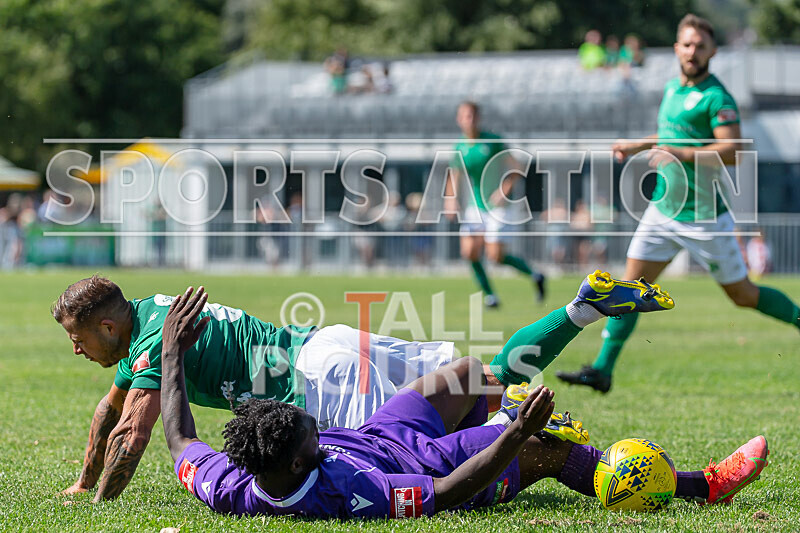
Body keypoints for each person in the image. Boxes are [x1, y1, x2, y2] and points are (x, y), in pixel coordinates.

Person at [53, 269, 673, 502]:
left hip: (316, 386)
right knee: (480, 377)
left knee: (433, 443)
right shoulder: (151, 313)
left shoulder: (147, 346)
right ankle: (582, 309)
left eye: (80, 339)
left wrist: (99, 502)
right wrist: (82, 478)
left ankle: (525, 435)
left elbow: (134, 436)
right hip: (329, 343)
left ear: (109, 325)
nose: (77, 351)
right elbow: (111, 412)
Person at [161, 286, 768, 518]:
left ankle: (553, 351)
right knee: (548, 449)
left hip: (384, 431)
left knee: (472, 373)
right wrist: (512, 434)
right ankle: (705, 485)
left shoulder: (229, 482)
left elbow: (182, 440)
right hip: (434, 463)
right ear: (299, 465)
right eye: (310, 436)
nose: (315, 426)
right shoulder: (351, 495)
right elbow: (446, 496)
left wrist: (170, 353)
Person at [557, 14, 800, 394]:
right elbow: (668, 135)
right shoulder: (672, 89)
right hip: (662, 210)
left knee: (744, 296)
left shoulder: (717, 97)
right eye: (686, 44)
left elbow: (733, 151)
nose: (692, 51)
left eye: (700, 45)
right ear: (676, 48)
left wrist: (680, 153)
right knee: (629, 288)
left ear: (713, 51)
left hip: (704, 218)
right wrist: (640, 144)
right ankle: (602, 369)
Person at [447, 101, 546, 308]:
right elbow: (454, 176)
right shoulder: (460, 146)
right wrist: (450, 199)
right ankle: (491, 296)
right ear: (459, 120)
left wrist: (504, 189)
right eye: (465, 116)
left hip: (497, 207)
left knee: (495, 256)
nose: (469, 120)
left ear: (478, 118)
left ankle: (535, 274)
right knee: (469, 252)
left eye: (472, 115)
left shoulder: (493, 141)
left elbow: (517, 167)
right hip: (475, 206)